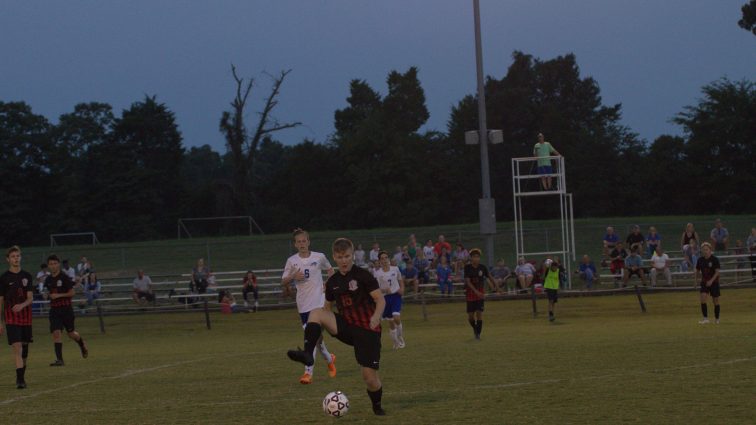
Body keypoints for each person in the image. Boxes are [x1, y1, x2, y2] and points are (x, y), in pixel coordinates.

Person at [286, 238, 387, 416]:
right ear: (334, 257)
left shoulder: (363, 276)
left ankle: (377, 406)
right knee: (315, 313)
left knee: (369, 378)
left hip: (368, 330)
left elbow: (380, 299)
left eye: (347, 256)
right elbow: (327, 309)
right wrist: (319, 329)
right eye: (340, 257)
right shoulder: (333, 281)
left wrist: (376, 317)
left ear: (352, 255)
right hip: (347, 327)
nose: (344, 260)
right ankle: (308, 355)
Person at [281, 229, 337, 385]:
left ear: (308, 242)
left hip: (319, 304)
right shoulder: (291, 261)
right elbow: (283, 281)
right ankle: (329, 358)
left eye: (304, 241)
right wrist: (293, 276)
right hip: (303, 306)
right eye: (298, 242)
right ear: (295, 244)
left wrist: (329, 284)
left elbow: (330, 270)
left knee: (309, 339)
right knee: (317, 340)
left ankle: (308, 373)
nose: (301, 244)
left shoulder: (319, 257)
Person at [43, 255, 88, 367]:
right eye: (51, 264)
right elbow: (46, 293)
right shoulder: (48, 279)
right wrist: (46, 295)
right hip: (54, 310)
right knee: (56, 333)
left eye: (55, 263)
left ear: (58, 264)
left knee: (71, 333)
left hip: (66, 309)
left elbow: (72, 293)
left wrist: (58, 295)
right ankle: (60, 360)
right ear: (48, 266)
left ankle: (81, 344)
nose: (53, 266)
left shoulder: (64, 277)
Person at [0, 246, 34, 389]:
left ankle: (22, 375)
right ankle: (20, 380)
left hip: (25, 317)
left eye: (17, 256)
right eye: (13, 256)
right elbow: (0, 301)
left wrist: (22, 305)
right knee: (17, 346)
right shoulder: (3, 278)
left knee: (24, 349)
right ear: (8, 259)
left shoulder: (27, 276)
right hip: (11, 317)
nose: (16, 258)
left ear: (20, 257)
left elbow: (30, 298)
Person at [464, 249, 498, 340]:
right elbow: (468, 281)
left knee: (479, 313)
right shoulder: (467, 268)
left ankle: (478, 334)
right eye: (474, 256)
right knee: (471, 316)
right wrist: (476, 291)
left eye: (478, 257)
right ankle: (475, 328)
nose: (476, 258)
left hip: (480, 294)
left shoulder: (482, 267)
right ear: (471, 258)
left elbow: (490, 277)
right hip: (471, 294)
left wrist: (496, 287)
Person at [374, 251, 406, 349]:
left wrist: (402, 289)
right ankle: (395, 342)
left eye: (386, 258)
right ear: (379, 261)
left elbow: (400, 280)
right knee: (391, 322)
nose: (384, 260)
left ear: (388, 259)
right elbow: (375, 289)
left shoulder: (395, 269)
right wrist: (384, 290)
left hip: (396, 296)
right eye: (382, 259)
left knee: (396, 317)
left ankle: (400, 338)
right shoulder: (377, 274)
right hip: (385, 299)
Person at [696, 242, 721, 324]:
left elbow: (717, 272)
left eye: (706, 249)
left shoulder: (715, 259)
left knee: (715, 301)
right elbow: (697, 270)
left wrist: (711, 281)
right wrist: (696, 280)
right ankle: (705, 318)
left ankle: (717, 318)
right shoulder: (700, 260)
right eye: (703, 250)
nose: (705, 251)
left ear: (710, 250)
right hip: (704, 282)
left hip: (714, 282)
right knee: (703, 298)